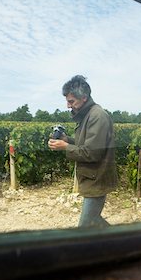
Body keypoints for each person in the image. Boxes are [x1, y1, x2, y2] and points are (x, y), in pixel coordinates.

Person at [48, 75, 118, 228]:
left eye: (71, 101)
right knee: (93, 221)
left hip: (97, 179)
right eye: (67, 101)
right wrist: (68, 140)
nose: (67, 106)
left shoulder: (97, 116)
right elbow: (85, 144)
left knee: (86, 226)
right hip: (92, 178)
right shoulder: (88, 115)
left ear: (84, 98)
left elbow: (92, 153)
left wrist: (64, 147)